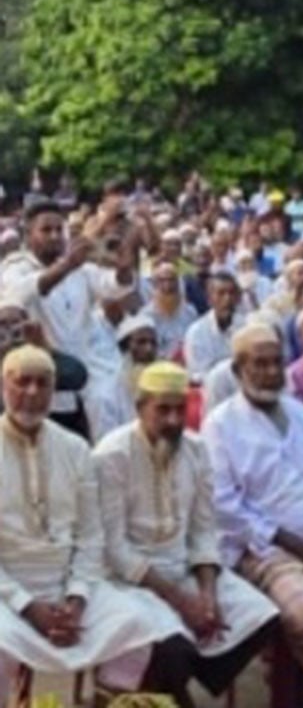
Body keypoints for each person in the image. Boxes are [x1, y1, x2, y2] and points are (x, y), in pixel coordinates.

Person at [93, 362, 279, 707]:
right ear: (140, 408)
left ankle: (173, 687)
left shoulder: (196, 448)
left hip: (185, 569)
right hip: (128, 580)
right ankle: (174, 691)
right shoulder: (111, 455)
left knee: (263, 618)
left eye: (180, 409)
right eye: (162, 410)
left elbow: (203, 529)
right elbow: (113, 548)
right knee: (172, 648)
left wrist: (207, 595)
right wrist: (181, 601)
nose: (174, 420)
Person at [0, 346, 165, 704]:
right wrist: (29, 606)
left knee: (135, 626)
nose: (32, 392)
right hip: (7, 591)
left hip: (66, 585)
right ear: (3, 386)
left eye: (42, 383)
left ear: (53, 390)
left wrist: (75, 600)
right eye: (22, 382)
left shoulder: (75, 449)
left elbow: (91, 537)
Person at [202, 322, 303, 682]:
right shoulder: (220, 424)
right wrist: (297, 544)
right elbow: (226, 508)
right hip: (267, 551)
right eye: (260, 364)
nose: (272, 372)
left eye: (277, 362)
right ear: (238, 369)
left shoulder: (301, 413)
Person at [2, 200, 139, 375]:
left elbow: (116, 286)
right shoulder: (15, 267)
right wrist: (67, 265)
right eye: (46, 230)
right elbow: (21, 294)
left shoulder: (80, 269)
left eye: (59, 230)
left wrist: (124, 267)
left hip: (82, 368)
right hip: (37, 371)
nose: (54, 236)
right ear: (28, 236)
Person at [90, 315, 159, 441]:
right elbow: (105, 444)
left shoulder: (160, 390)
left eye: (153, 343)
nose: (149, 349)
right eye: (141, 342)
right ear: (124, 348)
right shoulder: (105, 395)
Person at [183, 272, 242, 384]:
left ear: (238, 298)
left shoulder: (246, 327)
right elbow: (198, 373)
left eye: (231, 293)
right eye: (221, 293)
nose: (227, 299)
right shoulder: (196, 332)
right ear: (209, 299)